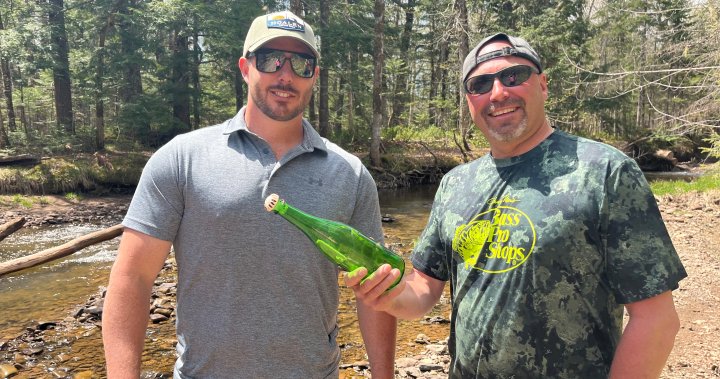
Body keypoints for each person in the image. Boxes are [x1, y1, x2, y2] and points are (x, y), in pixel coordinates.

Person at [346, 33, 687, 378]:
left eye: (513, 77)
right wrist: (388, 295)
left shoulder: (604, 171)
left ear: (542, 84)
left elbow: (655, 319)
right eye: (480, 84)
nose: (498, 93)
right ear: (469, 101)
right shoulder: (455, 183)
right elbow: (423, 290)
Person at [102, 10, 397, 378]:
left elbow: (376, 289)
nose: (285, 74)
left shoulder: (350, 173)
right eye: (271, 59)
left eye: (302, 64)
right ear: (245, 67)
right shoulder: (181, 158)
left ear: (314, 77)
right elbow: (132, 279)